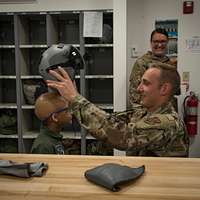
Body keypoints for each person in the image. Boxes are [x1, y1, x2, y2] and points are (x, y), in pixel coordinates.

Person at [46, 63, 189, 157]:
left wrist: (76, 99)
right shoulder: (146, 111)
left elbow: (122, 136)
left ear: (164, 89)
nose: (138, 89)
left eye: (145, 83)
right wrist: (75, 101)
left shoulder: (167, 122)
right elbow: (110, 122)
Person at [129, 28, 178, 107]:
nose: (159, 45)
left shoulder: (170, 64)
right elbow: (134, 95)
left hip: (168, 113)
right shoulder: (141, 63)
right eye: (156, 41)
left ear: (167, 43)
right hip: (150, 114)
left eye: (163, 41)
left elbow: (174, 91)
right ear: (151, 43)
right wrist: (143, 117)